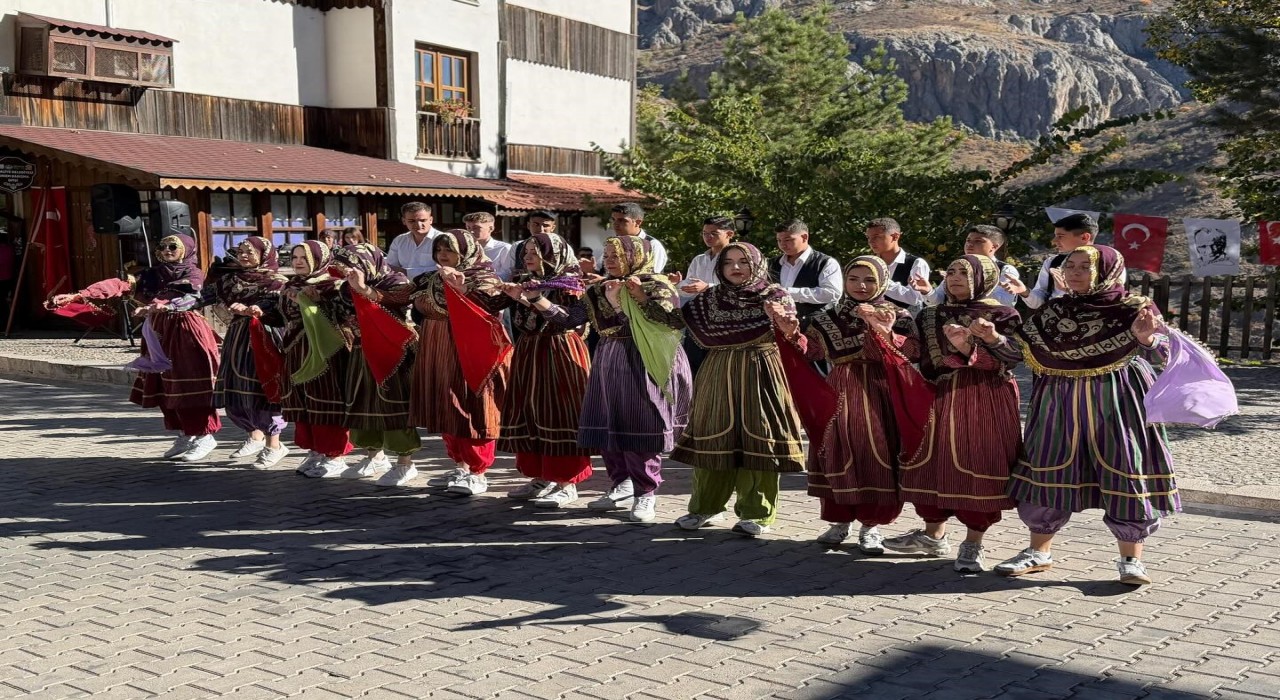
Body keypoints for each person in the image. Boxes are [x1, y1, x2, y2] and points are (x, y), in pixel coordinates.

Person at [997, 244, 1177, 586]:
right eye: (1070, 266)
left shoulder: (1133, 307)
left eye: (1084, 266)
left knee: (1123, 464)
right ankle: (1039, 551)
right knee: (1049, 461)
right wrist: (988, 336)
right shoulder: (1055, 310)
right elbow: (1021, 348)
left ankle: (1130, 559)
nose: (1075, 272)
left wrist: (1147, 340)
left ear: (1107, 271)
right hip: (1059, 399)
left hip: (1118, 399)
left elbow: (1167, 353)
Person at [882, 255, 1023, 573]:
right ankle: (933, 536)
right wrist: (889, 333)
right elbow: (915, 352)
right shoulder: (931, 314)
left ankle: (973, 544)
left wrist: (986, 340)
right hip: (939, 394)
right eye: (952, 271)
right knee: (931, 463)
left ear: (983, 277)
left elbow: (1015, 356)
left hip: (984, 396)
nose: (956, 277)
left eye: (965, 272)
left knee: (977, 464)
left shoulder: (1002, 313)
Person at [775, 256, 913, 554]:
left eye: (869, 280)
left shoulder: (898, 315)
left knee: (878, 453)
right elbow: (813, 351)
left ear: (883, 283)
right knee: (837, 450)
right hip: (839, 391)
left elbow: (910, 352)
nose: (861, 286)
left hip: (881, 392)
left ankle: (872, 525)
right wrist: (790, 333)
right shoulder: (828, 317)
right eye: (853, 279)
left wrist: (882, 329)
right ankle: (839, 520)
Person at [671, 242, 806, 537]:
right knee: (712, 436)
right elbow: (674, 320)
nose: (735, 268)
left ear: (757, 264)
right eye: (728, 262)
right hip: (718, 369)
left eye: (743, 262)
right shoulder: (708, 298)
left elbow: (793, 336)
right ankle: (704, 507)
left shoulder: (775, 295)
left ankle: (757, 513)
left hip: (762, 368)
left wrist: (784, 324)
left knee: (759, 438)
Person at [53, 235, 222, 461]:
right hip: (158, 332)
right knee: (163, 385)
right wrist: (81, 294)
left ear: (187, 250)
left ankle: (204, 435)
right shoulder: (152, 274)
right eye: (162, 246)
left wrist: (156, 306)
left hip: (186, 332)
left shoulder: (192, 273)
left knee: (189, 384)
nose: (167, 250)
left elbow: (182, 295)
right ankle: (185, 434)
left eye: (173, 247)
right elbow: (120, 285)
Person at [578, 236, 692, 522]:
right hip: (611, 357)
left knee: (643, 422)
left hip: (647, 359)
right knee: (609, 420)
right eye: (607, 255)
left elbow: (670, 323)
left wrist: (626, 300)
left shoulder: (656, 285)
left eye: (616, 255)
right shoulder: (600, 287)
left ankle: (646, 493)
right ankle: (621, 483)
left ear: (635, 255)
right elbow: (586, 322)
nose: (610, 261)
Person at [410, 230, 511, 496]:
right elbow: (401, 296)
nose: (442, 256)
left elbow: (491, 305)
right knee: (446, 405)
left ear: (466, 252)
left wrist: (461, 289)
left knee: (472, 406)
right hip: (437, 347)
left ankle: (479, 471)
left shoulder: (483, 278)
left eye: (449, 251)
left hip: (469, 349)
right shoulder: (431, 278)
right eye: (439, 250)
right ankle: (460, 465)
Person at [498, 232, 595, 508]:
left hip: (560, 352)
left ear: (553, 255)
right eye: (526, 251)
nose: (527, 257)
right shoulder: (526, 281)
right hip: (530, 351)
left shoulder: (571, 285)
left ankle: (567, 482)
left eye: (534, 252)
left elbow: (568, 322)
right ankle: (540, 475)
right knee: (530, 409)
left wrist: (535, 299)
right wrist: (516, 296)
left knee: (560, 412)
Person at [193, 236, 291, 468]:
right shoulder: (230, 280)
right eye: (241, 251)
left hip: (265, 337)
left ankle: (274, 444)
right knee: (237, 393)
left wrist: (255, 309)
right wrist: (170, 305)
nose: (244, 255)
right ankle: (255, 435)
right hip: (237, 337)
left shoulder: (276, 281)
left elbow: (273, 305)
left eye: (250, 251)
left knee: (262, 388)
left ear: (264, 254)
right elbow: (200, 297)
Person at [334, 244, 420, 485]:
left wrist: (363, 289)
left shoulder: (397, 283)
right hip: (362, 349)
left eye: (349, 265)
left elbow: (397, 309)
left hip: (393, 350)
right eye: (341, 265)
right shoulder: (344, 288)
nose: (344, 270)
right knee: (362, 400)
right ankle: (374, 455)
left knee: (392, 404)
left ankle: (405, 462)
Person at [280, 240, 353, 477]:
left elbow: (344, 314)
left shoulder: (332, 286)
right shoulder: (290, 284)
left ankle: (334, 455)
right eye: (295, 257)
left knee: (325, 398)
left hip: (325, 349)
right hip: (296, 347)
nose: (298, 262)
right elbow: (280, 316)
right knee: (302, 399)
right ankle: (315, 450)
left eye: (304, 257)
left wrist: (317, 300)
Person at [1000, 213, 1122, 309]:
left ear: (1084, 237)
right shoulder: (1053, 262)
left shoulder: (1109, 263)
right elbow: (1039, 303)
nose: (1054, 241)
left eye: (1060, 236)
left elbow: (1109, 299)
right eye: (1069, 266)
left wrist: (1068, 291)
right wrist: (1025, 291)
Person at [672, 216, 736, 374]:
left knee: (720, 368)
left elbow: (741, 288)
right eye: (705, 233)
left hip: (726, 320)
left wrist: (708, 287)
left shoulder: (737, 259)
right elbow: (690, 287)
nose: (708, 237)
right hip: (699, 320)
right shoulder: (699, 260)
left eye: (714, 233)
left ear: (729, 234)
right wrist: (678, 284)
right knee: (695, 365)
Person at [924, 225, 1022, 307]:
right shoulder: (958, 266)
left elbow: (1005, 302)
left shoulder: (1005, 270)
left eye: (978, 241)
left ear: (994, 246)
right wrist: (927, 291)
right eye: (968, 240)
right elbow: (937, 301)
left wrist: (976, 285)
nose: (970, 244)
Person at [768, 220, 842, 325]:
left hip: (816, 326)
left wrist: (788, 293)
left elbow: (832, 293)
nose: (782, 245)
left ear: (804, 237)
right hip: (779, 326)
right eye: (779, 240)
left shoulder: (825, 262)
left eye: (788, 240)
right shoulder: (771, 264)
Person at [865, 217, 931, 313]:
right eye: (868, 237)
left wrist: (882, 281)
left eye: (877, 236)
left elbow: (915, 299)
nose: (871, 241)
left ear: (895, 236)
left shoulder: (916, 263)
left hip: (906, 322)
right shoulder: (869, 263)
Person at [386, 202, 443, 279]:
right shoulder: (399, 240)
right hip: (403, 287)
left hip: (433, 287)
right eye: (412, 221)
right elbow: (390, 268)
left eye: (423, 220)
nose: (418, 225)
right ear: (404, 221)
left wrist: (406, 272)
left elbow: (445, 269)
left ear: (431, 220)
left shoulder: (442, 240)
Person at [610, 202, 667, 273]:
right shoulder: (613, 243)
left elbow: (651, 276)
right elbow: (602, 269)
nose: (615, 224)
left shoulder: (652, 245)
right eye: (613, 219)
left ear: (638, 222)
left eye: (621, 220)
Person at [463, 212, 513, 281]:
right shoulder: (464, 248)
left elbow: (508, 274)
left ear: (491, 228)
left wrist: (484, 277)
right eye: (468, 228)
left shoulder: (504, 248)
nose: (471, 231)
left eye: (476, 228)